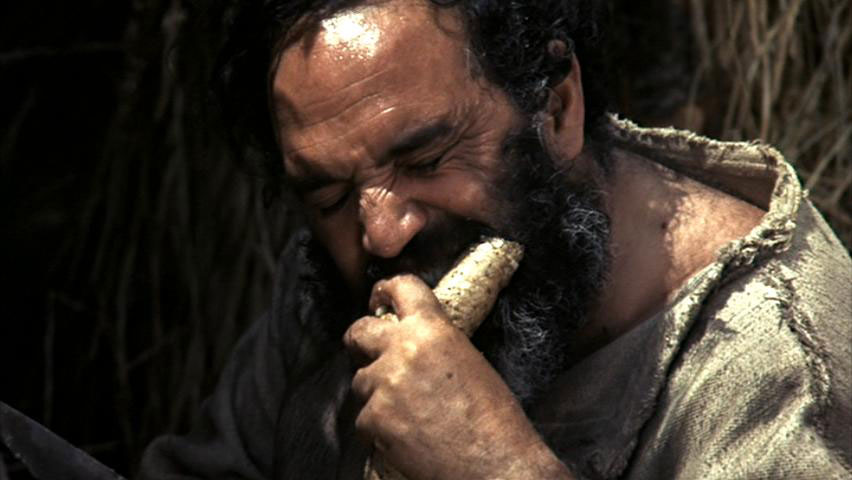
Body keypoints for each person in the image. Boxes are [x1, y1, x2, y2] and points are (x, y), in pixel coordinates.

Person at [139, 1, 852, 479]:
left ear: (557, 107)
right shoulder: (341, 275)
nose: (382, 234)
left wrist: (498, 468)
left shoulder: (780, 378)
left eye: (425, 161)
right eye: (327, 195)